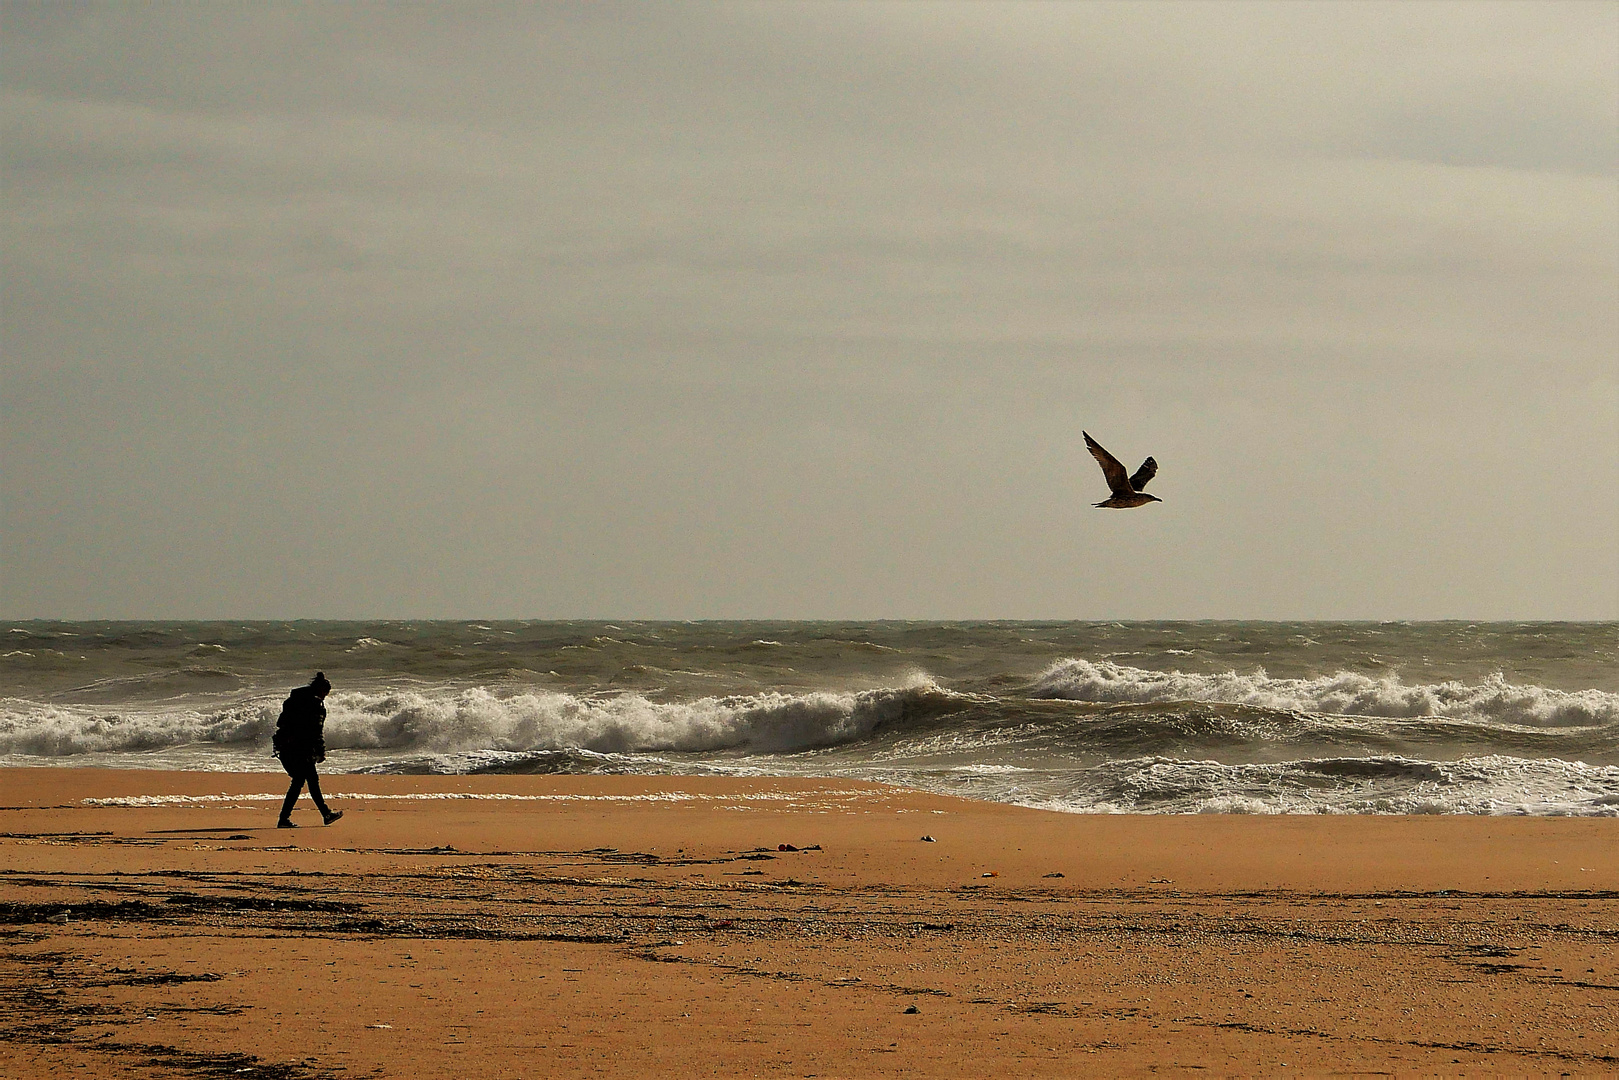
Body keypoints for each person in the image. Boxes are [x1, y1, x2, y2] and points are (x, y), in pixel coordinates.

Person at [273, 672, 342, 828]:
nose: (325, 696)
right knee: (305, 782)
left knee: (302, 781)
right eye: (326, 693)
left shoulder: (294, 700)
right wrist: (321, 751)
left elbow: (280, 723)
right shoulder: (315, 706)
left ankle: (324, 814)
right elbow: (316, 731)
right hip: (301, 750)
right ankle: (322, 814)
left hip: (286, 747)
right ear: (321, 690)